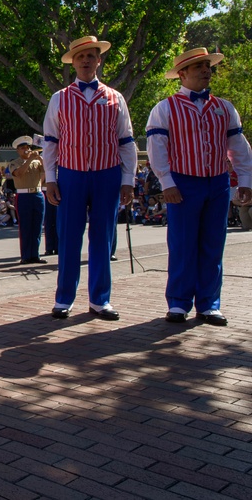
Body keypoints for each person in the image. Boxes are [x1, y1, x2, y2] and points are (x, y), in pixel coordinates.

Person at [146, 47, 252, 325]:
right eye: (198, 67)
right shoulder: (165, 108)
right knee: (182, 244)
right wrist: (166, 182)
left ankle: (209, 304)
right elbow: (157, 149)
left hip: (216, 182)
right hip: (183, 182)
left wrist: (245, 179)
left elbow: (238, 148)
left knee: (213, 244)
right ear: (182, 74)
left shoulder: (224, 107)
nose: (206, 71)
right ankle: (179, 303)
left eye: (208, 66)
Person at [43, 36, 137, 321]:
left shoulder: (115, 97)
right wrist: (50, 178)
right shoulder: (60, 97)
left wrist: (128, 179)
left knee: (103, 238)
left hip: (107, 174)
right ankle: (64, 298)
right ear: (73, 61)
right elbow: (51, 141)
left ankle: (100, 299)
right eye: (80, 56)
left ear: (99, 60)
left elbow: (126, 141)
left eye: (91, 56)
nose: (86, 60)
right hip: (71, 175)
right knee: (69, 237)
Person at [10, 136, 46, 264]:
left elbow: (48, 170)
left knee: (37, 226)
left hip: (37, 194)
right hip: (24, 195)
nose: (26, 150)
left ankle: (35, 254)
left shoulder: (36, 162)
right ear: (18, 151)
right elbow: (18, 173)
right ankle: (26, 255)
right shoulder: (15, 163)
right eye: (23, 148)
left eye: (28, 147)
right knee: (25, 226)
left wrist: (40, 158)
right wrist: (30, 159)